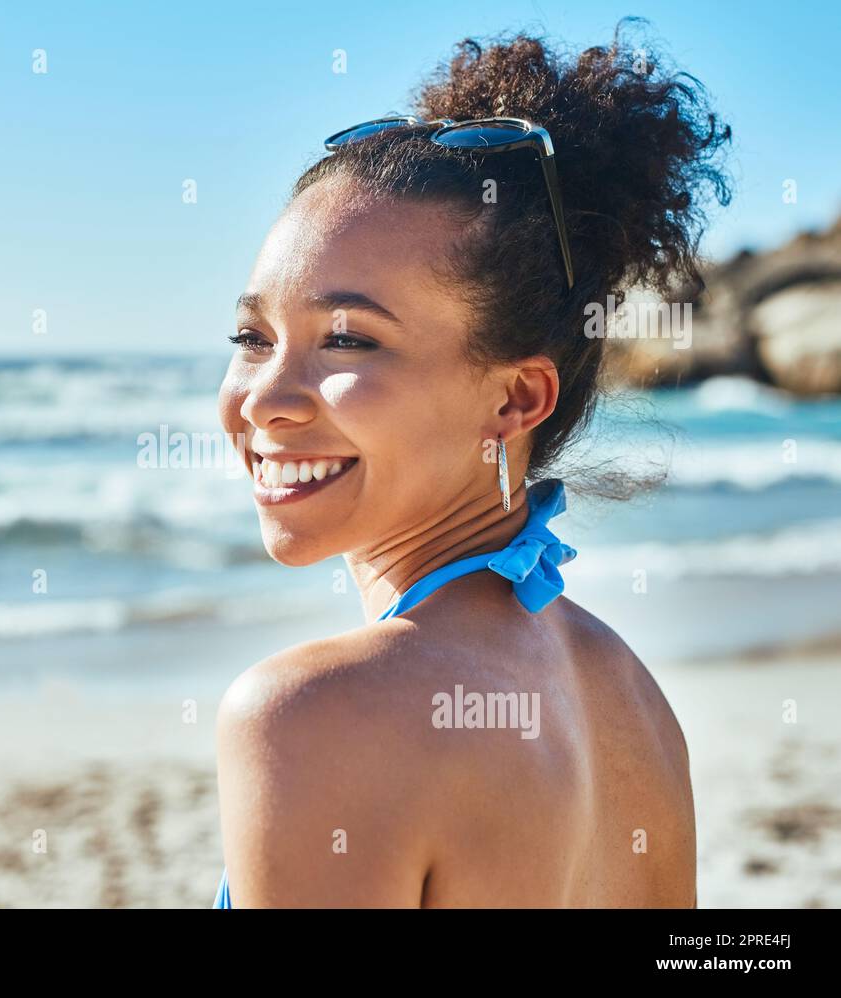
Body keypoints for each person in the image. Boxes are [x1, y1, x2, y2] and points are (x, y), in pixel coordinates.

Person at [212, 24, 731, 908]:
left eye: (348, 339)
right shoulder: (630, 699)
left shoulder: (310, 717)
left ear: (518, 400)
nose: (264, 399)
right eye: (253, 337)